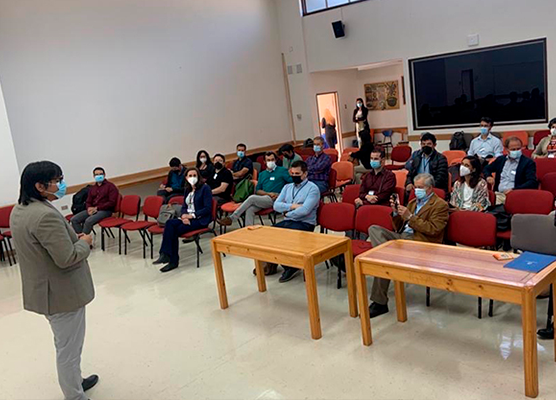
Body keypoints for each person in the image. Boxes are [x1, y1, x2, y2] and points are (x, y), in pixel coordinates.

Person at [10, 161, 99, 400]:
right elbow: (67, 258)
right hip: (62, 294)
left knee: (67, 344)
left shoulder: (20, 209)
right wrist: (84, 242)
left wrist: (72, 240)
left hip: (46, 289)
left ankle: (76, 381)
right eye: (57, 180)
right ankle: (75, 396)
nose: (61, 184)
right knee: (68, 349)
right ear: (39, 185)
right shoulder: (44, 215)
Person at [367, 173, 449, 318]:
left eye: (420, 187)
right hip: (402, 238)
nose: (416, 190)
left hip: (419, 241)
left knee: (382, 263)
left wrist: (410, 217)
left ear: (430, 188)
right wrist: (396, 214)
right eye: (415, 187)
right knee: (373, 229)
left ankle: (379, 302)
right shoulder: (413, 202)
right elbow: (399, 226)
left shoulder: (440, 205)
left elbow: (433, 230)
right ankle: (387, 257)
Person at [259, 161, 320, 281]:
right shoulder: (287, 187)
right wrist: (292, 206)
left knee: (284, 236)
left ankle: (290, 267)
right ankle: (273, 263)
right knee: (268, 234)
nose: (294, 176)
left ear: (305, 174)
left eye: (298, 173)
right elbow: (276, 205)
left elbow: (305, 210)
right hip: (288, 220)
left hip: (305, 223)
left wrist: (287, 212)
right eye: (292, 173)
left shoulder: (313, 189)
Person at [153, 167, 213, 273]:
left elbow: (207, 208)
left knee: (173, 230)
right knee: (170, 224)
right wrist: (184, 215)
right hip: (187, 218)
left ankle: (171, 259)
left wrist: (192, 216)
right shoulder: (187, 189)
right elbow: (184, 206)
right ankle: (167, 255)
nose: (192, 178)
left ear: (198, 176)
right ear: (186, 178)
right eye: (190, 176)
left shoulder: (205, 188)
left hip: (199, 219)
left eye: (195, 175)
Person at [218, 152, 291, 227]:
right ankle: (248, 231)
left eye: (272, 160)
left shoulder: (282, 170)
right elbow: (258, 190)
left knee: (252, 198)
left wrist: (282, 195)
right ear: (264, 162)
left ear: (275, 160)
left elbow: (291, 184)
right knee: (250, 209)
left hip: (277, 198)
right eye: (268, 160)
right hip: (265, 197)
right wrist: (267, 194)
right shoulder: (262, 174)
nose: (271, 162)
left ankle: (232, 218)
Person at [484, 137, 538, 205]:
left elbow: (532, 182)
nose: (516, 151)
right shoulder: (501, 160)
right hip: (498, 195)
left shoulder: (528, 162)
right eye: (513, 149)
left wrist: (514, 190)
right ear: (506, 150)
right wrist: (488, 176)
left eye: (518, 149)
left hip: (516, 195)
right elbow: (486, 169)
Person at [71, 167, 119, 234]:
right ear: (94, 176)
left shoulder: (111, 186)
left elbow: (112, 202)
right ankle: (83, 238)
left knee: (88, 221)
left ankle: (84, 241)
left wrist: (97, 208)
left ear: (104, 175)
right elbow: (88, 201)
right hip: (93, 210)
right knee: (74, 219)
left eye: (101, 174)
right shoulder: (92, 188)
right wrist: (89, 208)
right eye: (96, 175)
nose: (99, 176)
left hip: (105, 210)